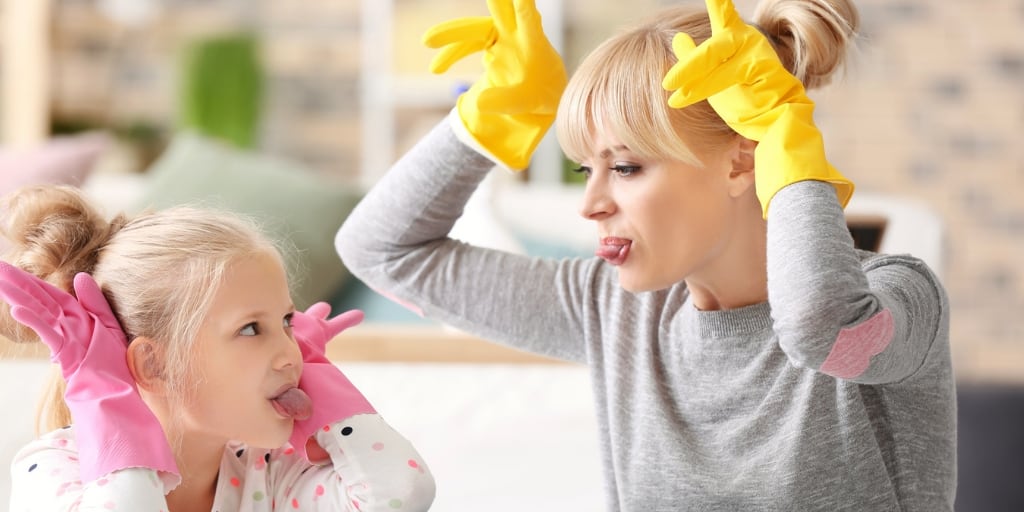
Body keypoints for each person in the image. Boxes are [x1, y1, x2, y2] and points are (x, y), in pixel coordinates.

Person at [335, 0, 955, 510]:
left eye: (626, 166)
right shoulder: (616, 311)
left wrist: (787, 142)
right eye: (587, 169)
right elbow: (381, 249)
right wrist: (485, 124)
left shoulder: (897, 301)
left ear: (744, 159)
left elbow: (819, 329)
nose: (592, 203)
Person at [0, 185, 436, 511]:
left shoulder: (266, 472)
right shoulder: (53, 470)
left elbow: (397, 495)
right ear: (152, 363)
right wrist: (104, 391)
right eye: (250, 328)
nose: (291, 353)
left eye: (287, 322)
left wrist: (319, 377)